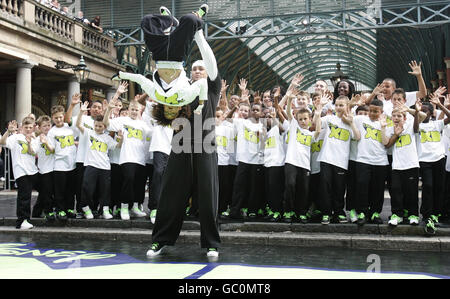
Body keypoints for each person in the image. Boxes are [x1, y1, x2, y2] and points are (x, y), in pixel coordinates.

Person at [145, 4, 222, 259]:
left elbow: (211, 64)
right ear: (189, 73)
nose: (198, 71)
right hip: (180, 142)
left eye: (201, 69)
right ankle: (160, 241)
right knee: (171, 193)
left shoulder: (211, 88)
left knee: (208, 194)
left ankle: (211, 243)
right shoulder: (182, 89)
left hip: (206, 140)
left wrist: (199, 36)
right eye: (194, 69)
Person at [103, 99, 151, 220]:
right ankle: (124, 206)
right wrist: (109, 109)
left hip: (141, 158)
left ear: (139, 111)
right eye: (132, 109)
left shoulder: (143, 125)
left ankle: (135, 206)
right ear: (128, 110)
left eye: (136, 110)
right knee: (128, 180)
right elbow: (106, 123)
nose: (134, 112)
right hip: (127, 157)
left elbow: (152, 135)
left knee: (139, 183)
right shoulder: (122, 121)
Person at [317, 95, 361, 224]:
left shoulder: (350, 121)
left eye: (341, 105)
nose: (338, 107)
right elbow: (317, 124)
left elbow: (357, 137)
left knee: (339, 188)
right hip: (326, 159)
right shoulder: (330, 118)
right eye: (336, 105)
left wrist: (351, 123)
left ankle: (339, 212)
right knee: (325, 187)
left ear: (348, 106)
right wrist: (318, 112)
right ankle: (326, 213)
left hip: (341, 162)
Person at [76, 102, 123, 220]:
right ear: (93, 125)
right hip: (91, 165)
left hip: (105, 167)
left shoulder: (107, 138)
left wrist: (121, 139)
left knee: (105, 190)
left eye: (100, 126)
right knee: (87, 187)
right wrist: (81, 112)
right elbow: (78, 125)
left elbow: (117, 146)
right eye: (96, 125)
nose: (97, 128)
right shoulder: (88, 133)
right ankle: (86, 209)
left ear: (105, 127)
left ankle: (105, 210)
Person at [384, 99, 425, 226]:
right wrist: (396, 135)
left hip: (411, 164)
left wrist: (414, 110)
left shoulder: (410, 125)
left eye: (399, 116)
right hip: (397, 166)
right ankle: (397, 215)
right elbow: (387, 145)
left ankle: (413, 215)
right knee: (396, 191)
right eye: (394, 116)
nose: (396, 118)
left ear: (405, 118)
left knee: (411, 191)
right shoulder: (390, 129)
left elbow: (418, 125)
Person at [284, 90, 322, 223]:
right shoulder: (294, 127)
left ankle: (301, 213)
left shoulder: (310, 135)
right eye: (300, 119)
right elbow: (288, 113)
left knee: (303, 190)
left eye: (305, 119)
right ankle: (288, 212)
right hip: (291, 162)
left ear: (310, 120)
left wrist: (318, 113)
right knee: (290, 185)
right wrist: (289, 99)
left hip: (305, 165)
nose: (303, 121)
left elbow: (317, 131)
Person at [414, 94, 450, 234]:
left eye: (425, 111)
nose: (423, 113)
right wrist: (417, 112)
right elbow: (416, 129)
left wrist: (440, 105)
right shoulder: (416, 124)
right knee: (428, 186)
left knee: (439, 187)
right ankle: (426, 214)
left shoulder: (437, 124)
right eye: (421, 110)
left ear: (431, 113)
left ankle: (435, 214)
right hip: (424, 160)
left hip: (439, 159)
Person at [65, 94, 104, 216]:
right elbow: (68, 120)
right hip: (82, 158)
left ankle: (94, 208)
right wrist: (72, 105)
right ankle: (82, 209)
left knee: (96, 187)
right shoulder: (83, 119)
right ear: (90, 109)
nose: (96, 109)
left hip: (97, 160)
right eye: (94, 107)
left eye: (99, 107)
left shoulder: (105, 122)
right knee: (81, 186)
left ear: (102, 110)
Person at [352, 99, 389, 225]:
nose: (372, 113)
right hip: (363, 160)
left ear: (381, 111)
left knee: (377, 189)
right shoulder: (361, 120)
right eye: (371, 111)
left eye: (376, 111)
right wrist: (352, 103)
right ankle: (362, 212)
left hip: (380, 161)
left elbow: (385, 142)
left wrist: (383, 127)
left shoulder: (386, 123)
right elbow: (347, 116)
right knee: (362, 186)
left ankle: (375, 213)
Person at [0, 118, 39, 229]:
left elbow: (33, 152)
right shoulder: (15, 137)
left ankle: (39, 211)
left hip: (33, 171)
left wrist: (30, 143)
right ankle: (22, 220)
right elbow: (2, 143)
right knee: (24, 196)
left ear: (33, 127)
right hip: (21, 171)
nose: (28, 129)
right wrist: (8, 131)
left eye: (30, 127)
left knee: (46, 190)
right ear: (21, 127)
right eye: (26, 127)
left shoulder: (35, 139)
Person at [47, 105, 78, 220]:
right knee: (60, 190)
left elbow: (71, 122)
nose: (59, 120)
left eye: (60, 117)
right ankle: (60, 210)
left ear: (63, 116)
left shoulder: (69, 127)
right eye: (56, 118)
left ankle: (70, 208)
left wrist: (72, 105)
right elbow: (52, 149)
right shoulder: (52, 132)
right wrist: (46, 143)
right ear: (52, 118)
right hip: (59, 165)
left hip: (72, 164)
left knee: (71, 189)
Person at [30, 115, 56, 221]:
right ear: (39, 127)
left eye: (48, 125)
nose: (47, 128)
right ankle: (48, 211)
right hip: (44, 170)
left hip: (55, 168)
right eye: (44, 126)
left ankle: (37, 212)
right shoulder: (36, 140)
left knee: (47, 192)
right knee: (46, 192)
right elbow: (33, 151)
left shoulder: (53, 137)